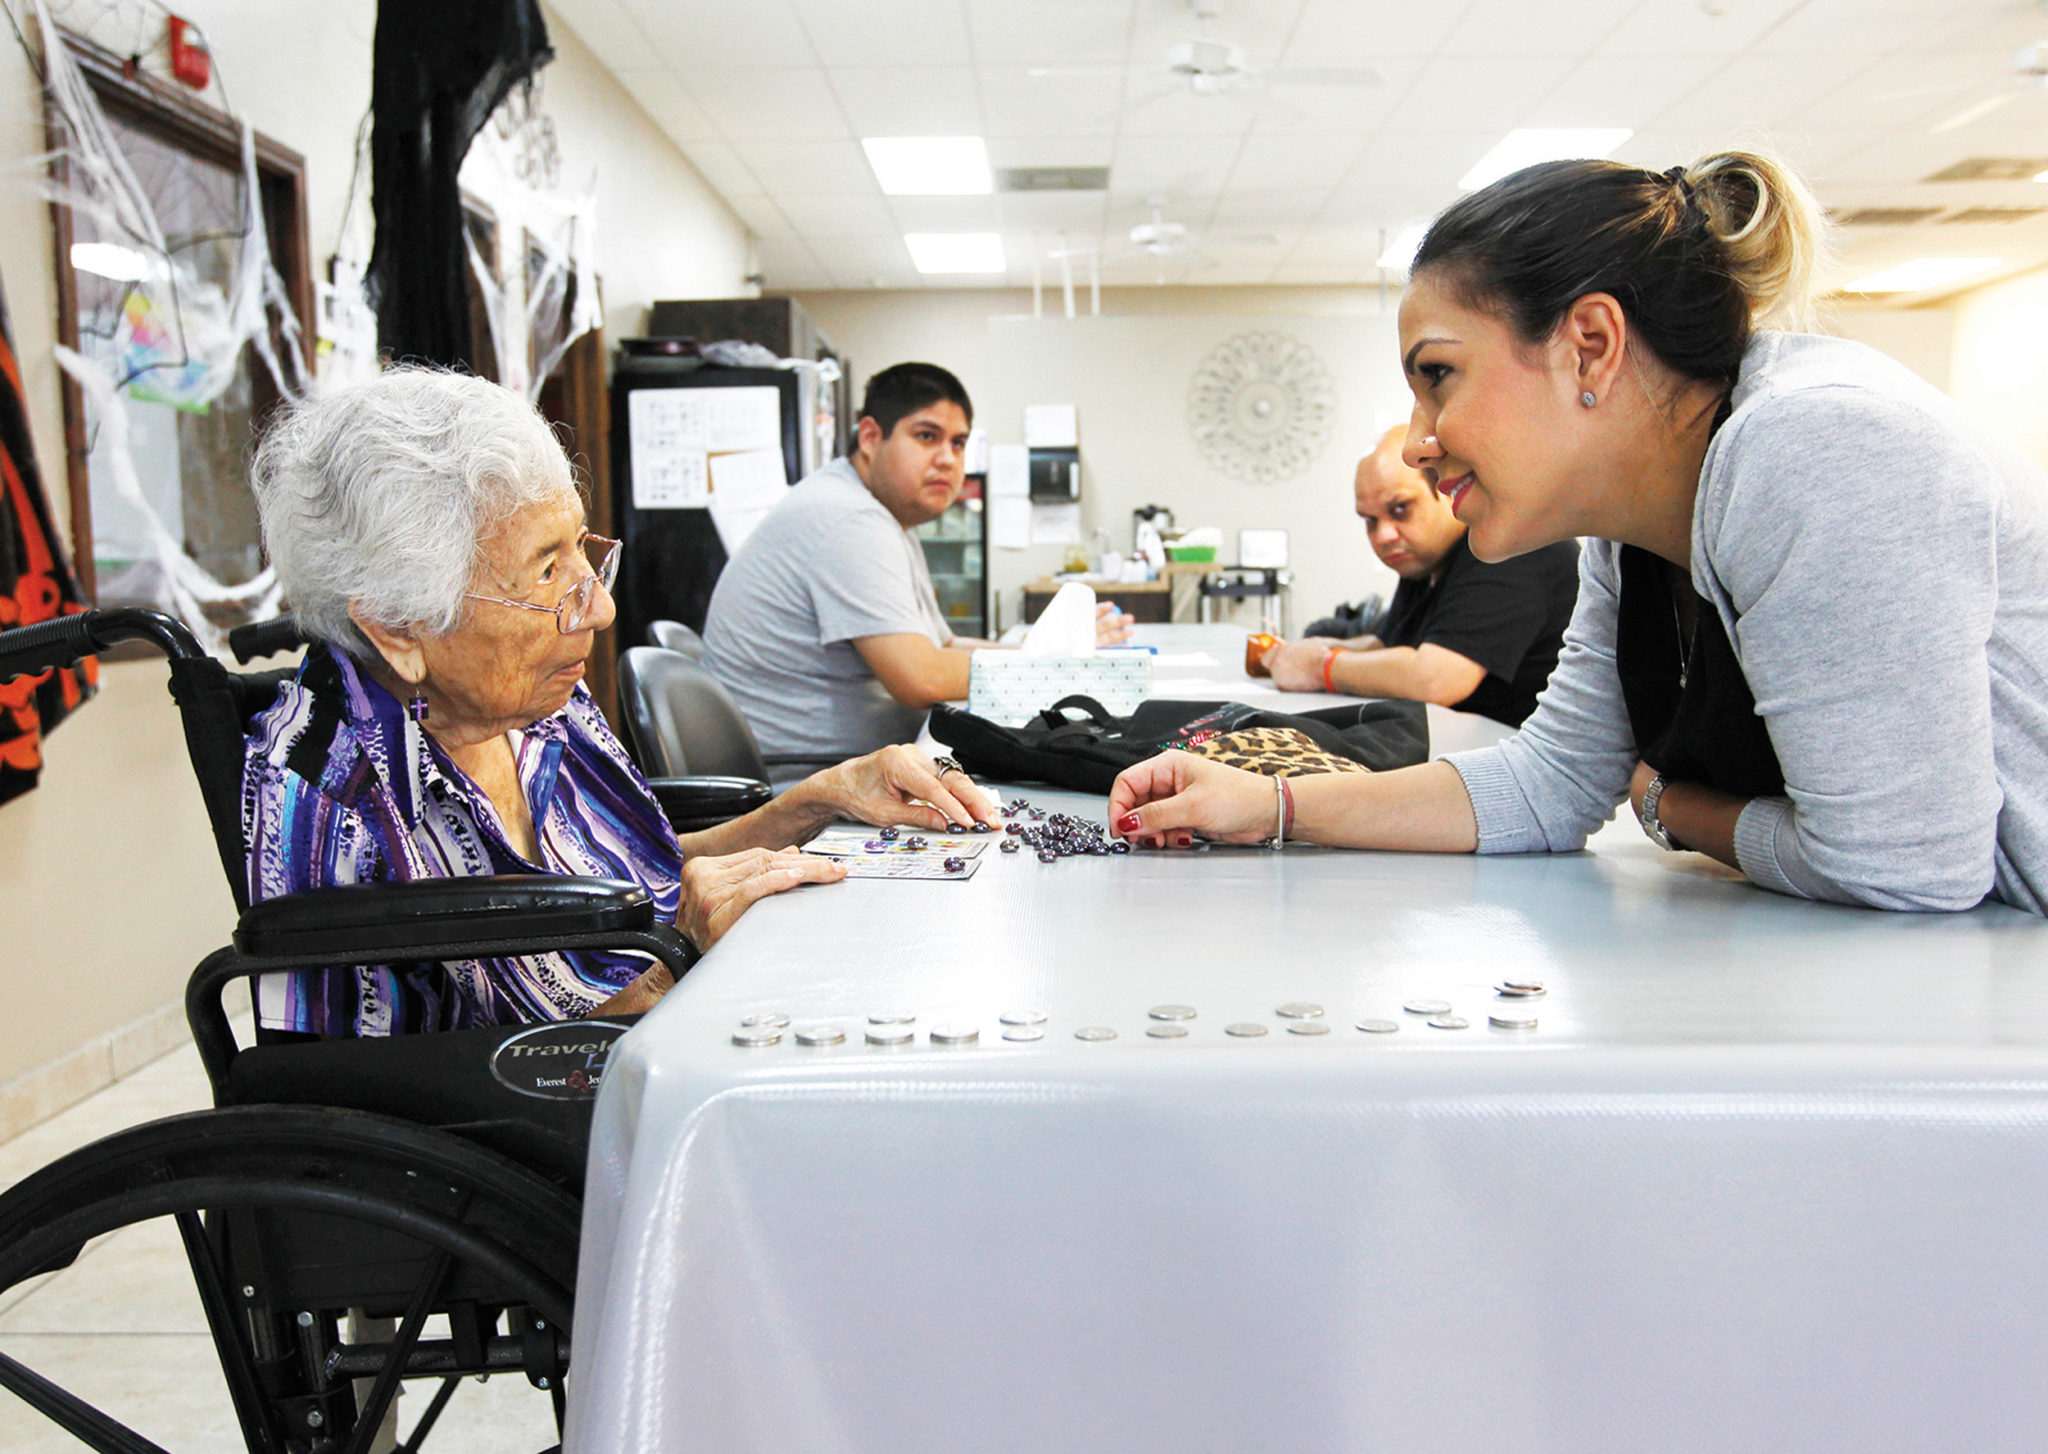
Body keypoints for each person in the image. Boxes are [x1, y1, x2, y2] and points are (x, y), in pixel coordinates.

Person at [1110, 149, 2048, 916]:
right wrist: (1268, 805)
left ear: (1589, 344)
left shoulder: (1817, 444)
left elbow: (1907, 867)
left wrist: (1666, 805)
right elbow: (1551, 782)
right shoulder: (1631, 523)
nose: (1422, 442)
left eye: (1439, 376)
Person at [245, 366, 1000, 1036]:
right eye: (547, 573)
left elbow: (657, 882)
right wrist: (676, 959)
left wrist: (823, 798)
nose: (597, 611)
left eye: (583, 550)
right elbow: (386, 1100)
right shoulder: (326, 793)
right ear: (399, 627)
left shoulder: (538, 705)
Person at [703, 362, 1130, 776]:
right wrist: (1054, 661)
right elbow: (920, 677)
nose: (948, 459)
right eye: (927, 436)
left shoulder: (883, 516)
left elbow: (943, 644)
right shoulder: (849, 518)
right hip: (808, 779)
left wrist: (1050, 647)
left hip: (849, 764)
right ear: (870, 437)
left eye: (958, 443)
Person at [1259, 425, 1578, 726]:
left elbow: (1437, 678)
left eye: (1400, 509)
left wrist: (1320, 667)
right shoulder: (1427, 562)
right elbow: (1387, 643)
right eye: (1370, 520)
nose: (1383, 535)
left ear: (1449, 485)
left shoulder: (1514, 544)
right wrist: (1314, 648)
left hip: (1528, 766)